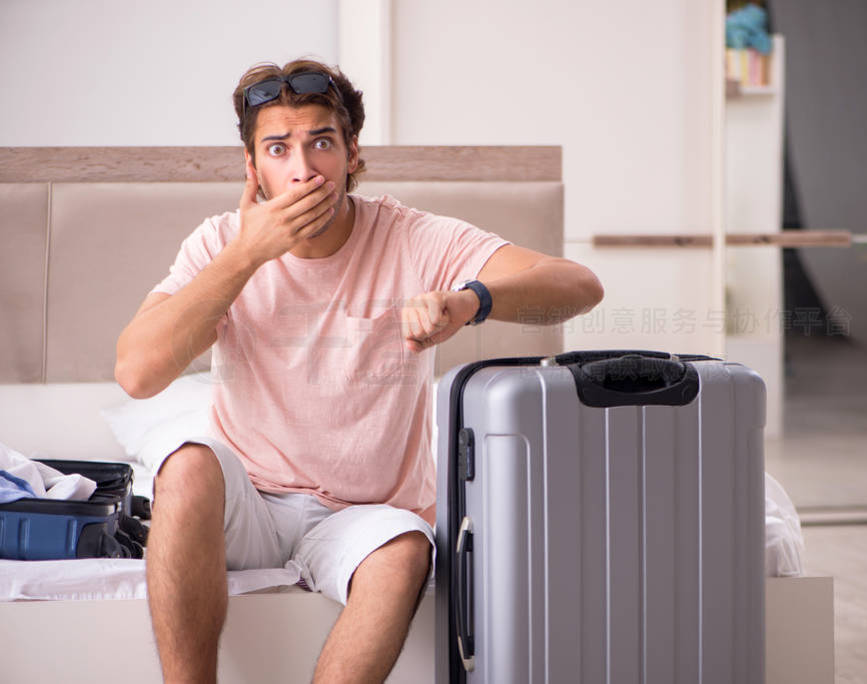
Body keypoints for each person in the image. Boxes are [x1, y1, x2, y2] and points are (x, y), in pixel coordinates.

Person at [114, 57, 603, 683]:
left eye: (321, 142)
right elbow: (137, 373)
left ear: (352, 156)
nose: (302, 169)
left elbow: (578, 285)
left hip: (365, 512)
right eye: (278, 148)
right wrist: (247, 255)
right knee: (183, 463)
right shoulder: (218, 244)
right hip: (252, 503)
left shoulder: (412, 238)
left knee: (405, 552)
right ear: (251, 167)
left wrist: (470, 301)